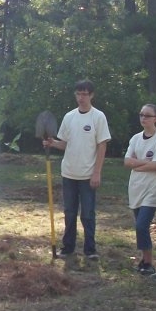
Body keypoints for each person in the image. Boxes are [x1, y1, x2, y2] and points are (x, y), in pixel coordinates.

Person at [43, 79, 112, 261]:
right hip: (69, 173)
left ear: (91, 95)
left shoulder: (98, 117)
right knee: (70, 212)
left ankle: (90, 250)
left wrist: (97, 172)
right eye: (78, 94)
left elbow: (102, 146)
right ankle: (68, 248)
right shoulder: (69, 117)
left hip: (88, 174)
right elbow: (65, 144)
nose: (81, 98)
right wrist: (52, 143)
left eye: (84, 94)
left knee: (88, 213)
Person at [123, 103, 156, 273]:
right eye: (141, 115)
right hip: (136, 188)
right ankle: (144, 259)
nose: (143, 118)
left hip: (153, 189)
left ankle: (149, 262)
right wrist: (146, 163)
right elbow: (127, 162)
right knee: (139, 225)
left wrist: (138, 164)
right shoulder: (135, 138)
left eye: (147, 115)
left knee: (142, 225)